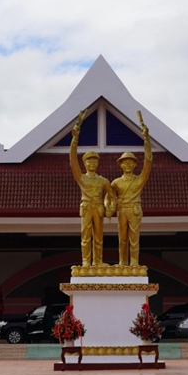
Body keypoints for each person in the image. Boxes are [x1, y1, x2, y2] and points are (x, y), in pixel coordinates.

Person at [108, 111, 152, 266]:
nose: (127, 165)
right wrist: (110, 206)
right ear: (120, 165)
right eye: (124, 162)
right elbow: (108, 194)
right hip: (122, 210)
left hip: (134, 210)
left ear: (134, 164)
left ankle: (134, 263)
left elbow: (148, 163)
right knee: (122, 239)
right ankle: (122, 263)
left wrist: (146, 140)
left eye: (130, 162)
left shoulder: (139, 180)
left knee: (134, 238)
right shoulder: (116, 182)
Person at [69, 110, 113, 267]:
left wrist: (108, 207)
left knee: (99, 236)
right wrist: (75, 140)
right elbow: (73, 161)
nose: (92, 164)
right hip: (87, 207)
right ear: (85, 163)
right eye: (89, 162)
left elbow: (112, 195)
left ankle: (98, 262)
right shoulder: (81, 177)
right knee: (86, 235)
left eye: (95, 162)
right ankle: (86, 262)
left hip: (98, 208)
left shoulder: (103, 180)